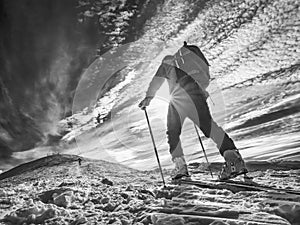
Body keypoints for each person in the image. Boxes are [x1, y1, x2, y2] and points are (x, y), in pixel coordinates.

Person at [138, 50, 248, 180]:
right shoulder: (187, 66)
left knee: (173, 132)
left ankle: (181, 167)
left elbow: (157, 80)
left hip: (179, 99)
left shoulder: (167, 63)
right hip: (197, 97)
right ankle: (234, 161)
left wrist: (149, 97)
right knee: (209, 127)